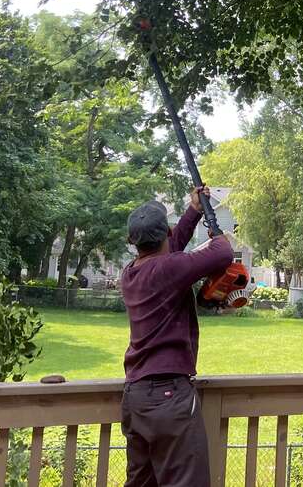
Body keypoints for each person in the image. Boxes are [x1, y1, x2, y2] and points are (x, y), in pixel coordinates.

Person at [119, 186, 234, 487]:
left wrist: (195, 210)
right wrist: (216, 231)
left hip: (137, 396)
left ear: (133, 241)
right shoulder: (167, 269)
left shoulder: (131, 272)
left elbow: (171, 248)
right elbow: (222, 252)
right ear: (166, 232)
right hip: (168, 396)